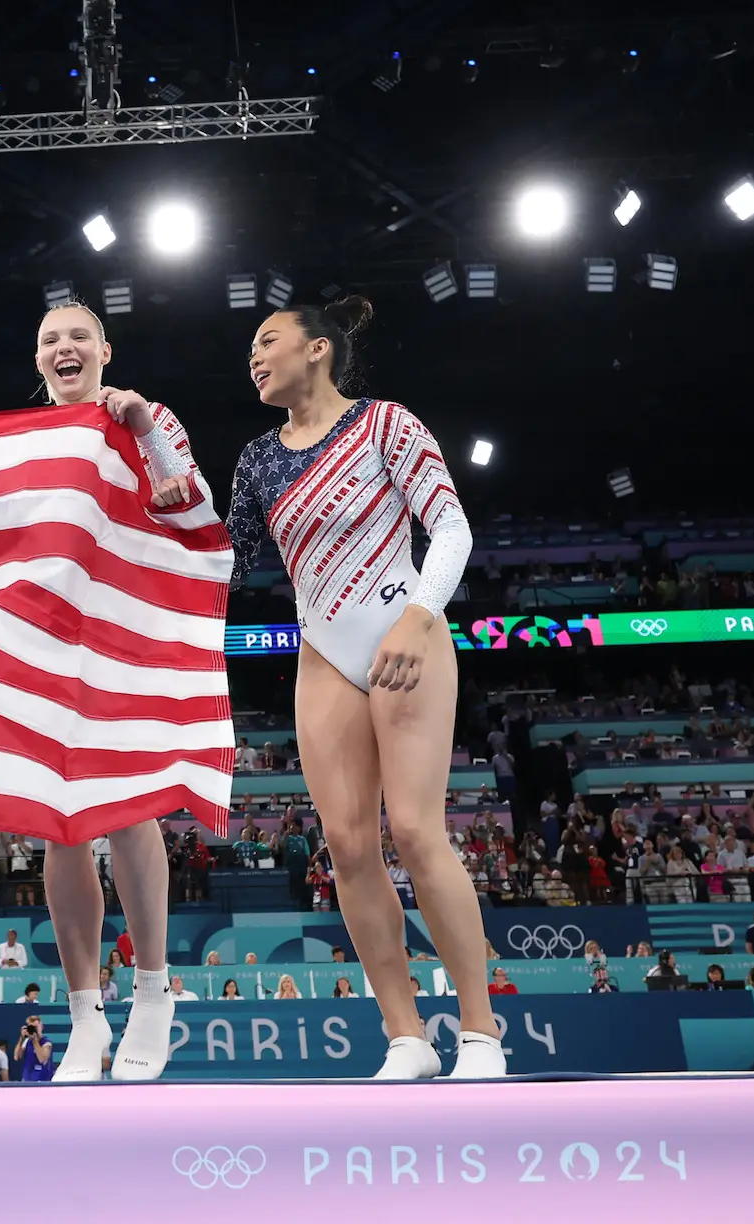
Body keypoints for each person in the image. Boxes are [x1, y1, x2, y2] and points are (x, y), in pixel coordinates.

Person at [227, 297, 500, 1080]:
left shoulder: (387, 424)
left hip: (404, 631)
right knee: (347, 847)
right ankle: (407, 1037)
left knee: (415, 832)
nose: (253, 355)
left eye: (266, 341)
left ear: (317, 350)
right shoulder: (257, 460)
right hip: (323, 653)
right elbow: (225, 558)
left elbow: (450, 527)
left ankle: (479, 1033)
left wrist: (421, 617)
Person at [23, 301, 204, 1084]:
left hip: (123, 632)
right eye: (49, 341)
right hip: (42, 644)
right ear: (39, 361)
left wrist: (144, 429)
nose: (64, 348)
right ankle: (84, 1017)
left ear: (104, 349)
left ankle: (155, 993)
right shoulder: (20, 436)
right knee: (57, 830)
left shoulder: (145, 413)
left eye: (76, 337)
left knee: (130, 812)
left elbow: (189, 502)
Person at [15, 1015, 54, 1082]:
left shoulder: (47, 1043)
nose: (34, 1030)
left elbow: (42, 1059)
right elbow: (16, 1057)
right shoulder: (27, 1042)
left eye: (35, 1027)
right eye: (32, 1027)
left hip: (42, 1080)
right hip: (27, 1079)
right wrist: (21, 1038)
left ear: (41, 1027)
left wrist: (35, 1040)